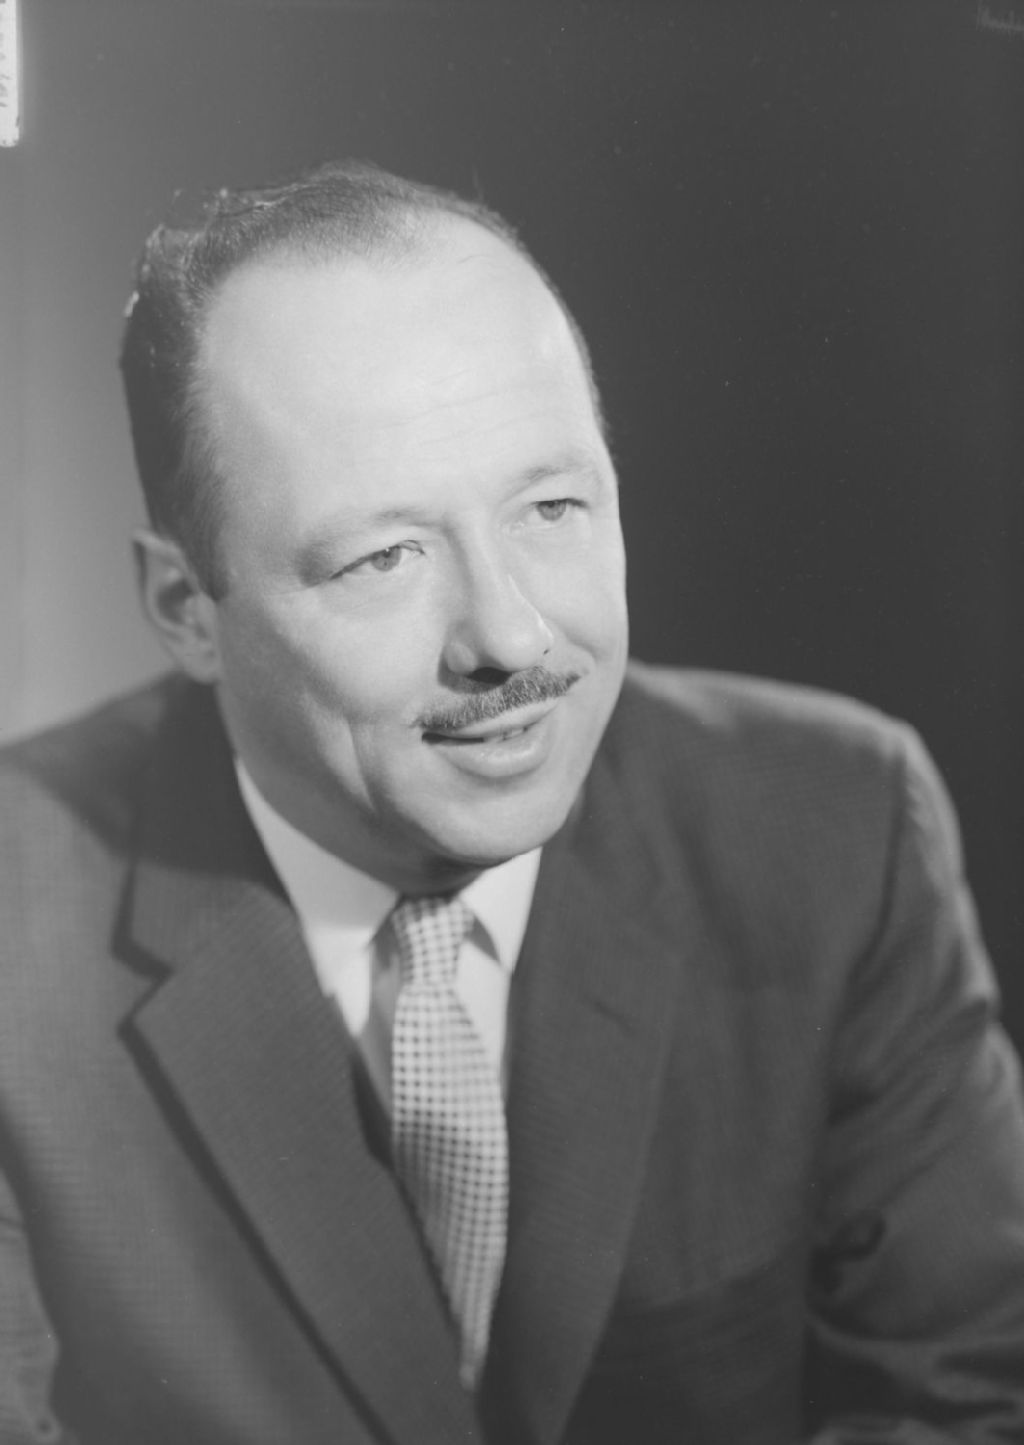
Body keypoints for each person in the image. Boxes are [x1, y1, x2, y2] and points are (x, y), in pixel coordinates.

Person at [1, 159, 1023, 1445]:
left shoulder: (836, 827)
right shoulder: (16, 925)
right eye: (383, 555)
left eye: (550, 506)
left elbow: (967, 1398)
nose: (510, 634)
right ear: (183, 610)